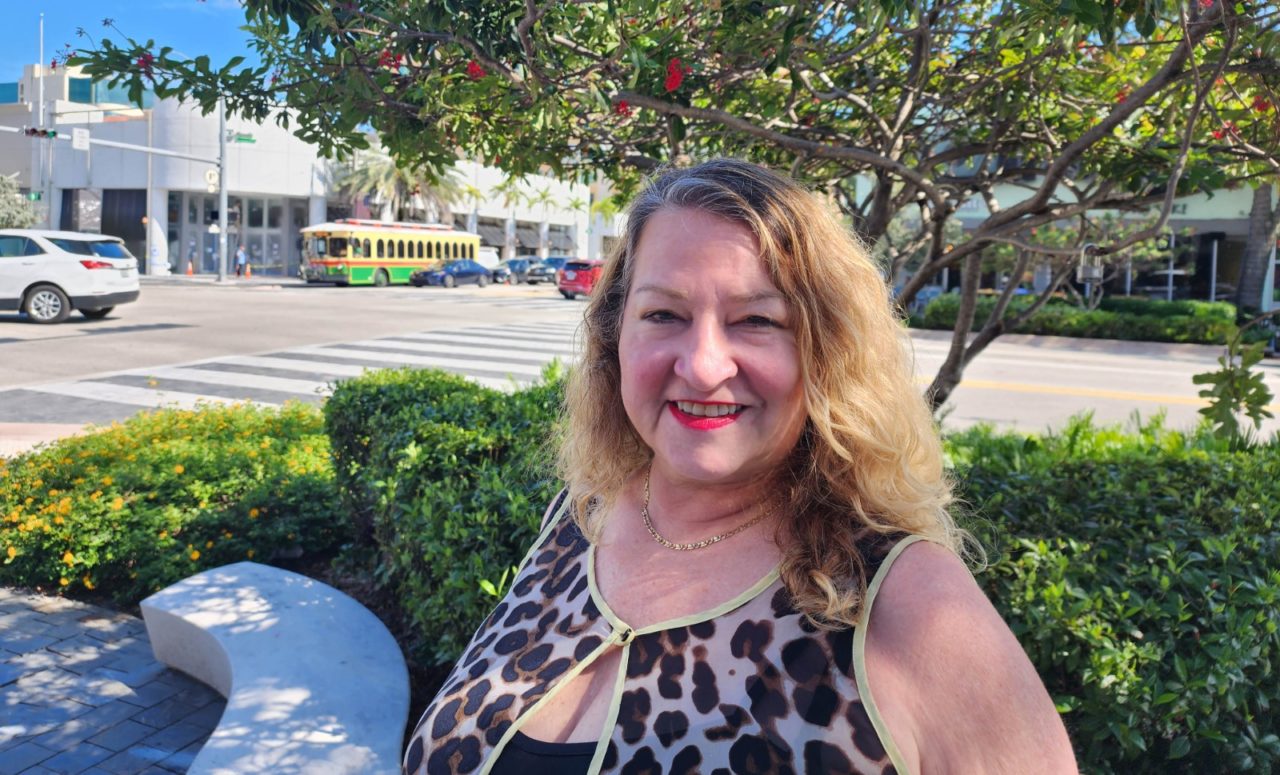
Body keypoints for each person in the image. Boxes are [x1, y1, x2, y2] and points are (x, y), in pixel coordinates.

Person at [402, 159, 1077, 775]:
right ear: (615, 338)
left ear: (825, 350)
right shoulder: (578, 520)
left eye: (756, 320)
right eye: (663, 313)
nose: (701, 364)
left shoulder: (901, 599)